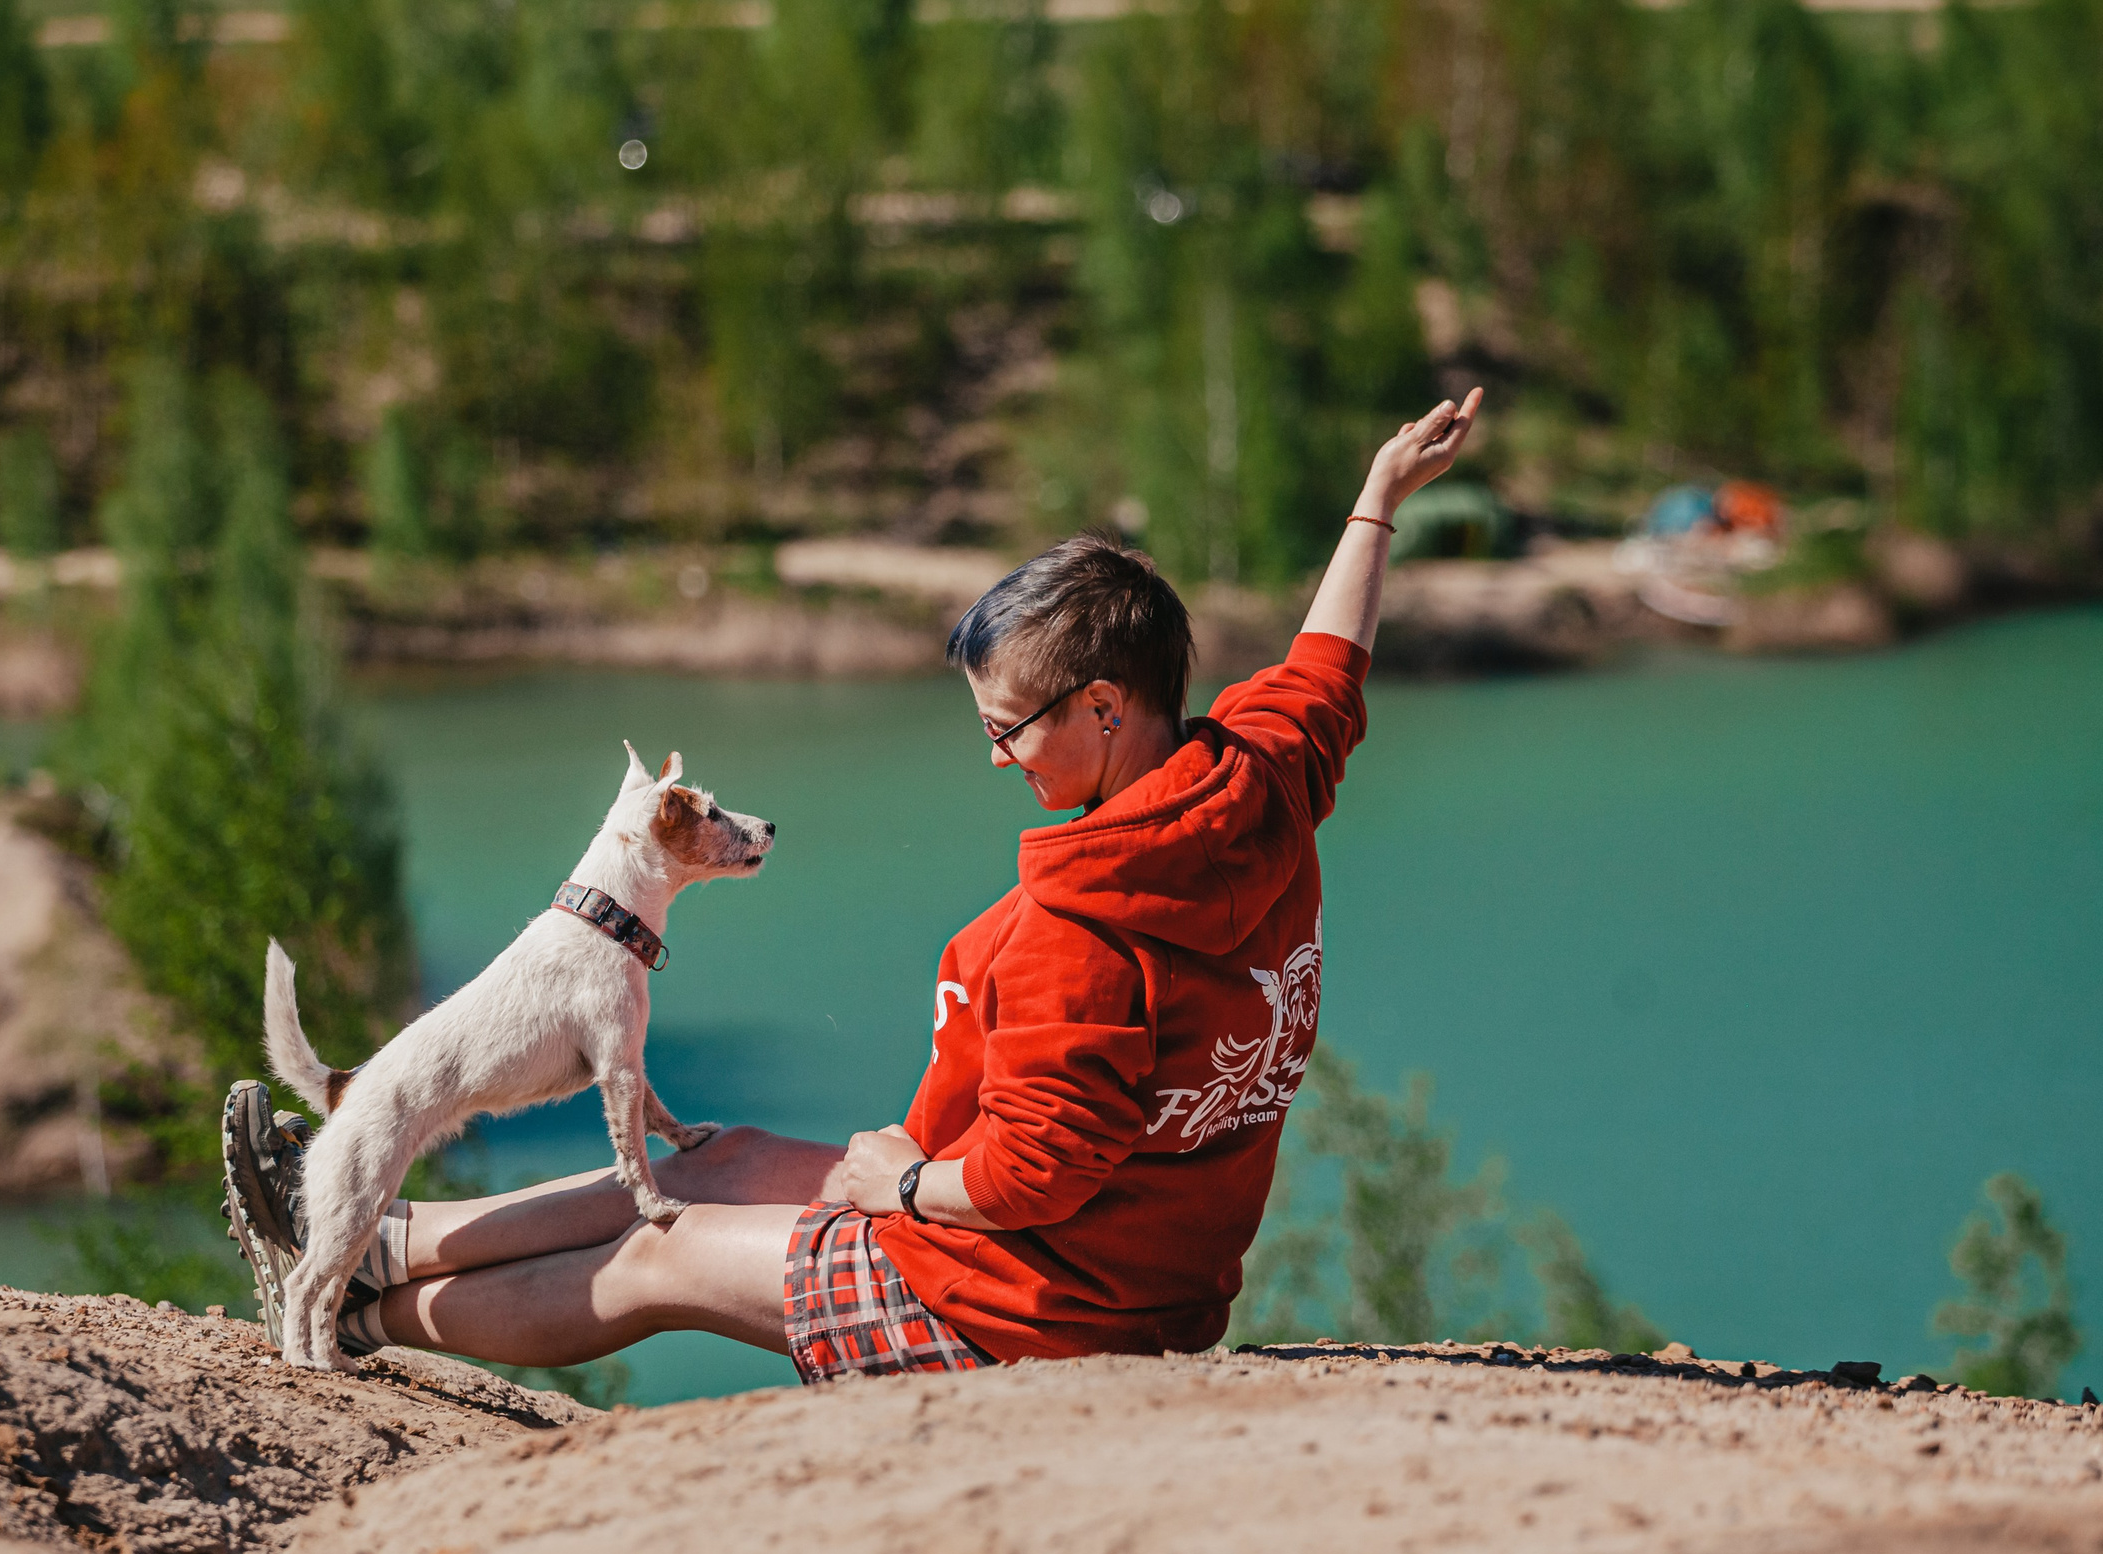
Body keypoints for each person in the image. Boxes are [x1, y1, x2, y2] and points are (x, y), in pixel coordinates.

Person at [223, 388, 1484, 1380]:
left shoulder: (1079, 931)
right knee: (721, 1157)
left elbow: (1043, 1173)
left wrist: (908, 1185)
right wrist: (1376, 497)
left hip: (1030, 1306)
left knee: (668, 1253)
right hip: (1134, 1263)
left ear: (1104, 705)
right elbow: (1331, 661)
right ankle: (374, 1230)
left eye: (1008, 728)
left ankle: (369, 1315)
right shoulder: (1263, 773)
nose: (994, 756)